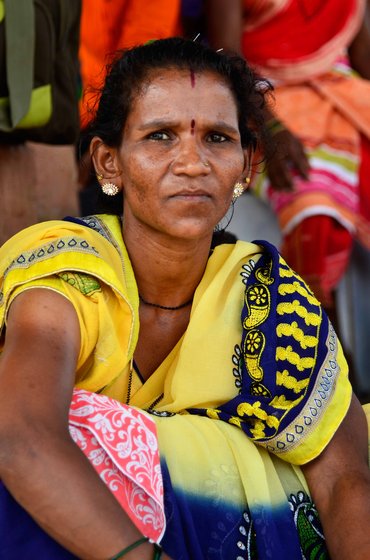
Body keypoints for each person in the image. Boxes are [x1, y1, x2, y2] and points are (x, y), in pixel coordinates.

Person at [0, 37, 369, 560]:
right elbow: (21, 438)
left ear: (246, 165)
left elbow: (344, 480)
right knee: (85, 429)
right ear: (109, 163)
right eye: (160, 136)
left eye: (217, 138)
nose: (192, 163)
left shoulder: (265, 295)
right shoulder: (68, 273)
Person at [205, 0, 370, 325]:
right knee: (312, 203)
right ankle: (312, 329)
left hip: (344, 98)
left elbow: (362, 55)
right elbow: (227, 60)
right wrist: (269, 129)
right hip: (267, 104)